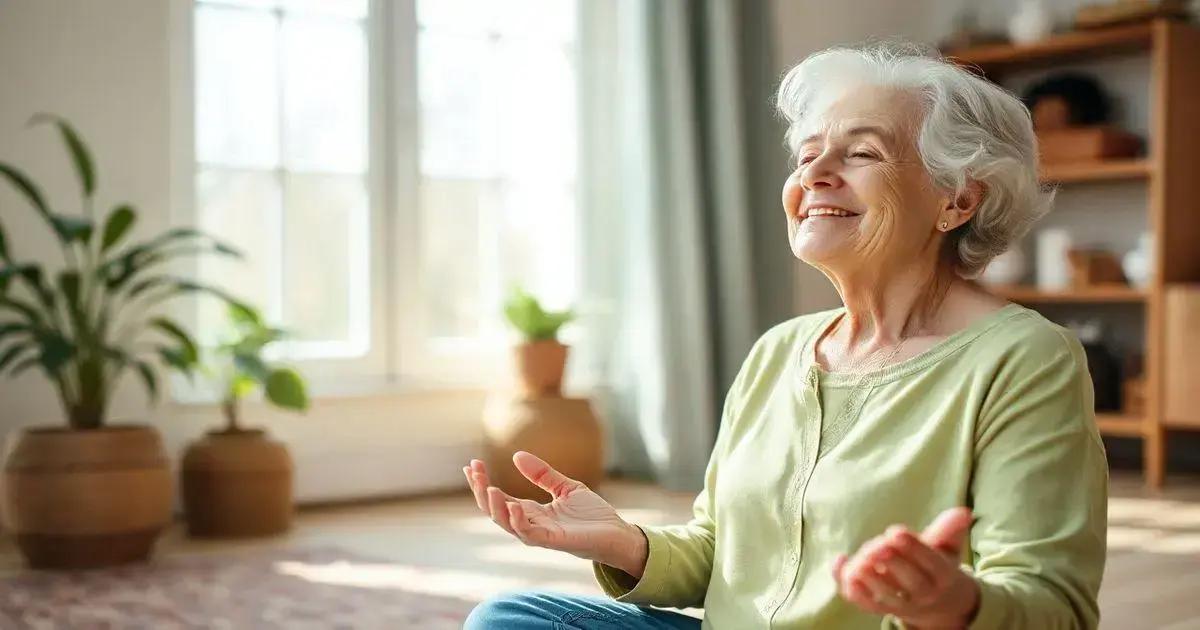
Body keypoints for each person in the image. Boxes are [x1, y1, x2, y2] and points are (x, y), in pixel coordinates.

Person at [463, 42, 1108, 629]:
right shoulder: (780, 350)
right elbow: (721, 554)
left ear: (957, 201)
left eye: (861, 153)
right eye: (806, 155)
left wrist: (950, 606)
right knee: (510, 619)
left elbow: (1054, 605)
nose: (814, 175)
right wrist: (624, 543)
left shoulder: (1024, 359)